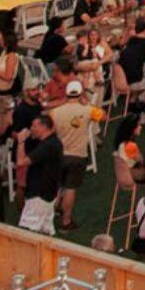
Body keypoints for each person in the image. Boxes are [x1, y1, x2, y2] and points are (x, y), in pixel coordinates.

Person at [48, 79, 95, 230]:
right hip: (78, 155)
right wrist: (86, 102)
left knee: (57, 187)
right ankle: (66, 221)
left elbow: (50, 130)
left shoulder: (55, 112)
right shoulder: (87, 110)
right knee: (70, 188)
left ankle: (47, 217)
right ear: (80, 94)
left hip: (59, 155)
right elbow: (103, 115)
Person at [19, 114, 65, 235]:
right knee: (46, 229)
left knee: (27, 230)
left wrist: (21, 141)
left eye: (34, 126)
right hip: (49, 192)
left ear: (44, 127)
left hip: (39, 193)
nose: (31, 129)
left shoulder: (48, 145)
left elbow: (21, 162)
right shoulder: (53, 142)